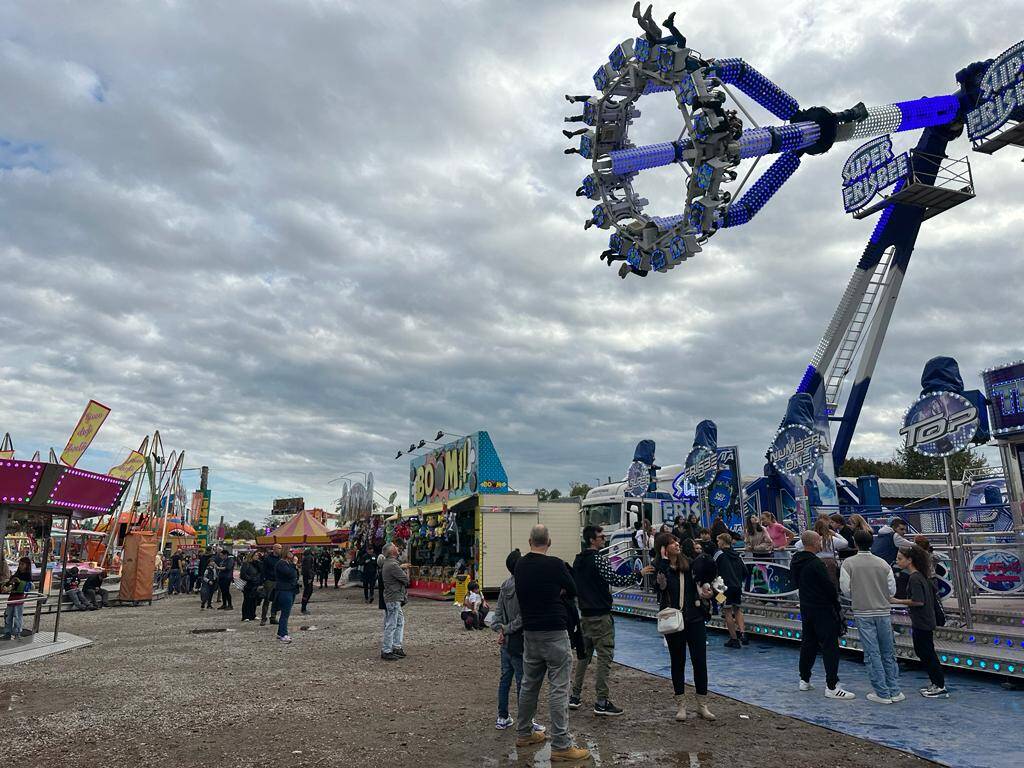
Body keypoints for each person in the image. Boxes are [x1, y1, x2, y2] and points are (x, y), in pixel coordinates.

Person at [513, 524, 589, 762]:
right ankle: (561, 745)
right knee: (558, 688)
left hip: (530, 633)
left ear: (529, 541)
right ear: (549, 542)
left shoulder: (520, 566)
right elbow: (573, 588)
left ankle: (524, 733)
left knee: (529, 685)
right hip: (555, 632)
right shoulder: (555, 564)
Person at [570, 524, 653, 715]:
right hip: (601, 615)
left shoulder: (578, 560)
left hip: (585, 615)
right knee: (604, 658)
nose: (604, 539)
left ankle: (575, 695)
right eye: (600, 537)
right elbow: (615, 580)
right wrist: (637, 574)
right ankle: (601, 701)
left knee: (584, 656)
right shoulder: (599, 559)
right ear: (592, 539)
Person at [653, 533, 716, 722]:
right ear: (663, 548)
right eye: (671, 543)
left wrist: (708, 593)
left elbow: (701, 585)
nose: (676, 544)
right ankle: (681, 705)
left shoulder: (690, 564)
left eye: (676, 541)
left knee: (700, 661)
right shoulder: (660, 567)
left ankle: (702, 705)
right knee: (677, 662)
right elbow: (660, 589)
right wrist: (664, 561)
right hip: (674, 621)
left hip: (694, 618)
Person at [840, 529, 903, 704]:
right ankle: (894, 689)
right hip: (883, 611)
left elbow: (845, 589)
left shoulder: (848, 563)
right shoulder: (883, 563)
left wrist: (859, 595)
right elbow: (892, 589)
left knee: (872, 652)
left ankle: (881, 692)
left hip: (862, 610)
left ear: (854, 541)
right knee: (888, 651)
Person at [791, 531, 855, 699]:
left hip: (806, 606)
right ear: (813, 543)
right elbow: (828, 587)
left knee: (808, 643)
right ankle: (832, 685)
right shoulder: (816, 564)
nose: (821, 543)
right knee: (830, 646)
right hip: (822, 608)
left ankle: (804, 679)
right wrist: (835, 604)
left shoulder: (795, 561)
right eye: (819, 541)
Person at [491, 549, 546, 735]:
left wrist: (501, 630)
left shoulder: (505, 585)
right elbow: (524, 617)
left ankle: (502, 716)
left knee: (505, 679)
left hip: (505, 643)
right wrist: (507, 630)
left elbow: (496, 615)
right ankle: (528, 720)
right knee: (524, 682)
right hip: (520, 641)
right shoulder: (524, 585)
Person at [892, 545, 948, 698]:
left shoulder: (915, 578)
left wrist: (898, 600)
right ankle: (936, 682)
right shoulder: (921, 576)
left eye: (900, 559)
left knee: (926, 652)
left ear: (910, 560)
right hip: (923, 620)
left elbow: (918, 601)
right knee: (924, 651)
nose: (898, 562)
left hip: (922, 620)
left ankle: (939, 684)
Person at [712, 534, 746, 648]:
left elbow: (712, 567)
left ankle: (733, 638)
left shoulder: (719, 553)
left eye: (718, 540)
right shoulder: (737, 554)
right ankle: (743, 633)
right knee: (737, 609)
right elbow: (745, 571)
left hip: (723, 587)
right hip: (737, 586)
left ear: (722, 541)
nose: (717, 543)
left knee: (727, 611)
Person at [380, 543, 410, 660]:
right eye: (395, 547)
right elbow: (406, 580)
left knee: (399, 621)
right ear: (392, 551)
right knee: (392, 623)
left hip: (393, 597)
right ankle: (387, 649)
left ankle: (396, 646)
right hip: (394, 597)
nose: (398, 548)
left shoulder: (389, 564)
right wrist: (405, 570)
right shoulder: (393, 565)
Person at [2, 557, 33, 641]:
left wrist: (17, 582)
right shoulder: (16, 574)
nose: (20, 566)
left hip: (19, 598)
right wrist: (6, 585)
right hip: (12, 597)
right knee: (8, 616)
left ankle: (17, 633)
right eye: (20, 564)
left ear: (27, 565)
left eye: (22, 564)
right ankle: (7, 632)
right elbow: (9, 584)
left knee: (17, 616)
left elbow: (27, 587)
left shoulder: (27, 576)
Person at [274, 549, 300, 643]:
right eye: (290, 552)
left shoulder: (287, 563)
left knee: (286, 614)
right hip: (284, 590)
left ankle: (280, 632)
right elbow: (290, 574)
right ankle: (283, 634)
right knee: (285, 614)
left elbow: (295, 574)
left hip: (290, 589)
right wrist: (294, 564)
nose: (292, 554)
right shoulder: (281, 564)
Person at [260, 543, 281, 626]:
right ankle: (263, 618)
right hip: (269, 581)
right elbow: (263, 570)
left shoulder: (281, 558)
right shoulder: (267, 559)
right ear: (274, 549)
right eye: (279, 548)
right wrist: (263, 581)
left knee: (276, 600)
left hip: (278, 581)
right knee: (267, 600)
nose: (280, 549)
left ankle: (273, 617)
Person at [240, 552, 262, 622]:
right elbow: (243, 574)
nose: (257, 557)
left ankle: (252, 615)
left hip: (256, 584)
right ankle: (245, 616)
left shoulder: (257, 564)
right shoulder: (246, 564)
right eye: (255, 555)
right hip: (249, 584)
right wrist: (251, 579)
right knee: (247, 600)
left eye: (257, 555)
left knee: (254, 600)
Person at [300, 548, 315, 614]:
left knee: (308, 591)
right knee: (308, 591)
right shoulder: (309, 557)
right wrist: (310, 577)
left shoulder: (306, 557)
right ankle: (303, 608)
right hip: (308, 576)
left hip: (306, 576)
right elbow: (308, 568)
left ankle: (304, 606)